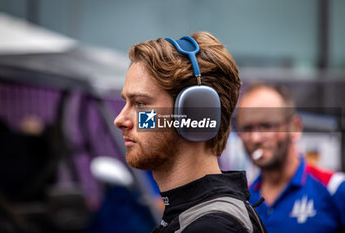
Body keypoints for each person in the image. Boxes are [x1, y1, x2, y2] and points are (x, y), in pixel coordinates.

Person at [114, 32, 266, 233]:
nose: (120, 120)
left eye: (140, 104)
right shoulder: (193, 217)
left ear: (193, 112)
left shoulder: (212, 228)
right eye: (126, 102)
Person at [236, 83, 345, 233]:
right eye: (247, 128)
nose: (255, 138)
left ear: (295, 127)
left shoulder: (335, 189)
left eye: (267, 126)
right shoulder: (242, 201)